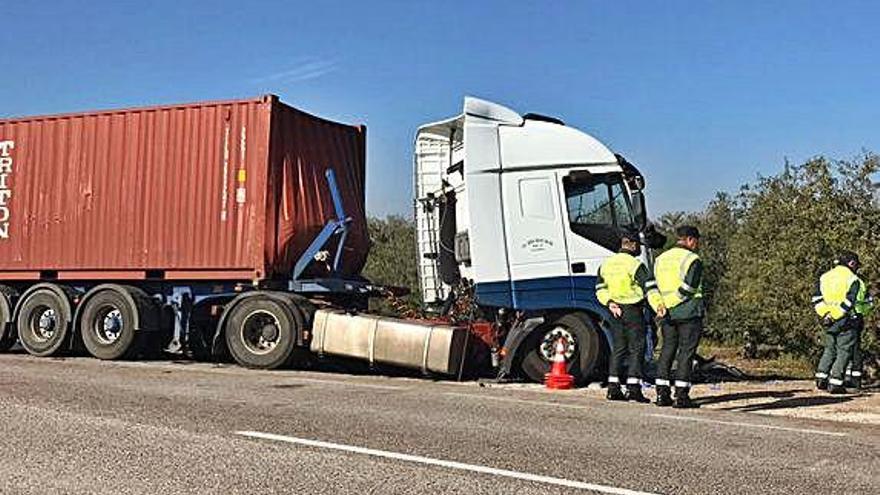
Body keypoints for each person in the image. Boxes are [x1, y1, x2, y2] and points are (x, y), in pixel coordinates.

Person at [596, 231, 665, 403]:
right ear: (633, 245)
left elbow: (600, 288)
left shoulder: (606, 264)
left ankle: (613, 388)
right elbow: (649, 288)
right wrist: (658, 305)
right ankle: (633, 389)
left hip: (614, 310)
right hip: (633, 310)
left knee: (619, 348)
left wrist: (609, 302)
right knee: (637, 348)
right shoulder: (635, 265)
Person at [654, 225, 704, 409]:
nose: (697, 245)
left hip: (666, 314)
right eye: (696, 241)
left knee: (667, 350)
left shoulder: (660, 259)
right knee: (686, 353)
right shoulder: (693, 259)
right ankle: (681, 396)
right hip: (688, 312)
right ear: (690, 240)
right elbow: (689, 289)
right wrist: (672, 303)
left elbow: (653, 286)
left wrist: (661, 305)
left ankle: (661, 394)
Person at [813, 252, 869, 394]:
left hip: (826, 319)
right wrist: (836, 315)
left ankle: (821, 379)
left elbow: (817, 298)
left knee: (829, 349)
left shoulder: (824, 277)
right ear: (851, 264)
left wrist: (826, 315)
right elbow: (849, 302)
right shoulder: (853, 279)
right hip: (846, 319)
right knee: (844, 351)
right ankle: (836, 382)